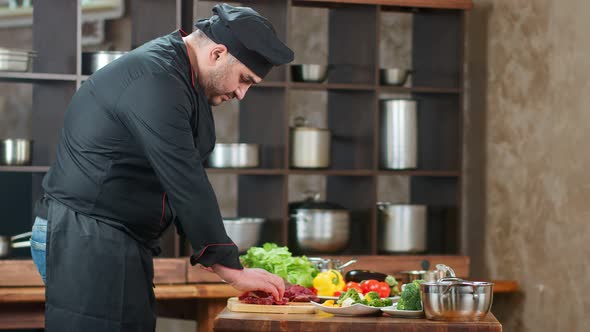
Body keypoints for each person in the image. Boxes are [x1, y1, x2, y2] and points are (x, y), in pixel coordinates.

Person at [29, 3, 294, 331]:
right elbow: (184, 177)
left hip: (111, 237)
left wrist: (218, 256)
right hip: (85, 234)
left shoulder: (181, 75)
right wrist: (230, 269)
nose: (242, 93)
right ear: (217, 53)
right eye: (244, 79)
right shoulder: (155, 78)